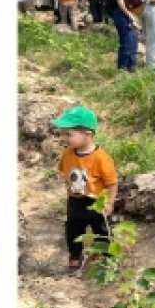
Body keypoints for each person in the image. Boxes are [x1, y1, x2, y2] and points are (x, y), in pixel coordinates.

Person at [52, 105, 118, 275]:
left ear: (87, 134)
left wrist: (110, 202)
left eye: (69, 134)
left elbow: (112, 183)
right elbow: (64, 172)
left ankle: (108, 258)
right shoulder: (68, 154)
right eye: (63, 133)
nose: (64, 138)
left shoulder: (101, 158)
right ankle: (75, 256)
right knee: (73, 231)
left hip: (97, 202)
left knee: (102, 231)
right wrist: (70, 192)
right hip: (75, 201)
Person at [107, 0, 139, 72]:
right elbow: (120, 4)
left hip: (122, 13)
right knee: (127, 40)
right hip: (121, 14)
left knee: (133, 38)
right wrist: (130, 15)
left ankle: (132, 65)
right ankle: (123, 67)